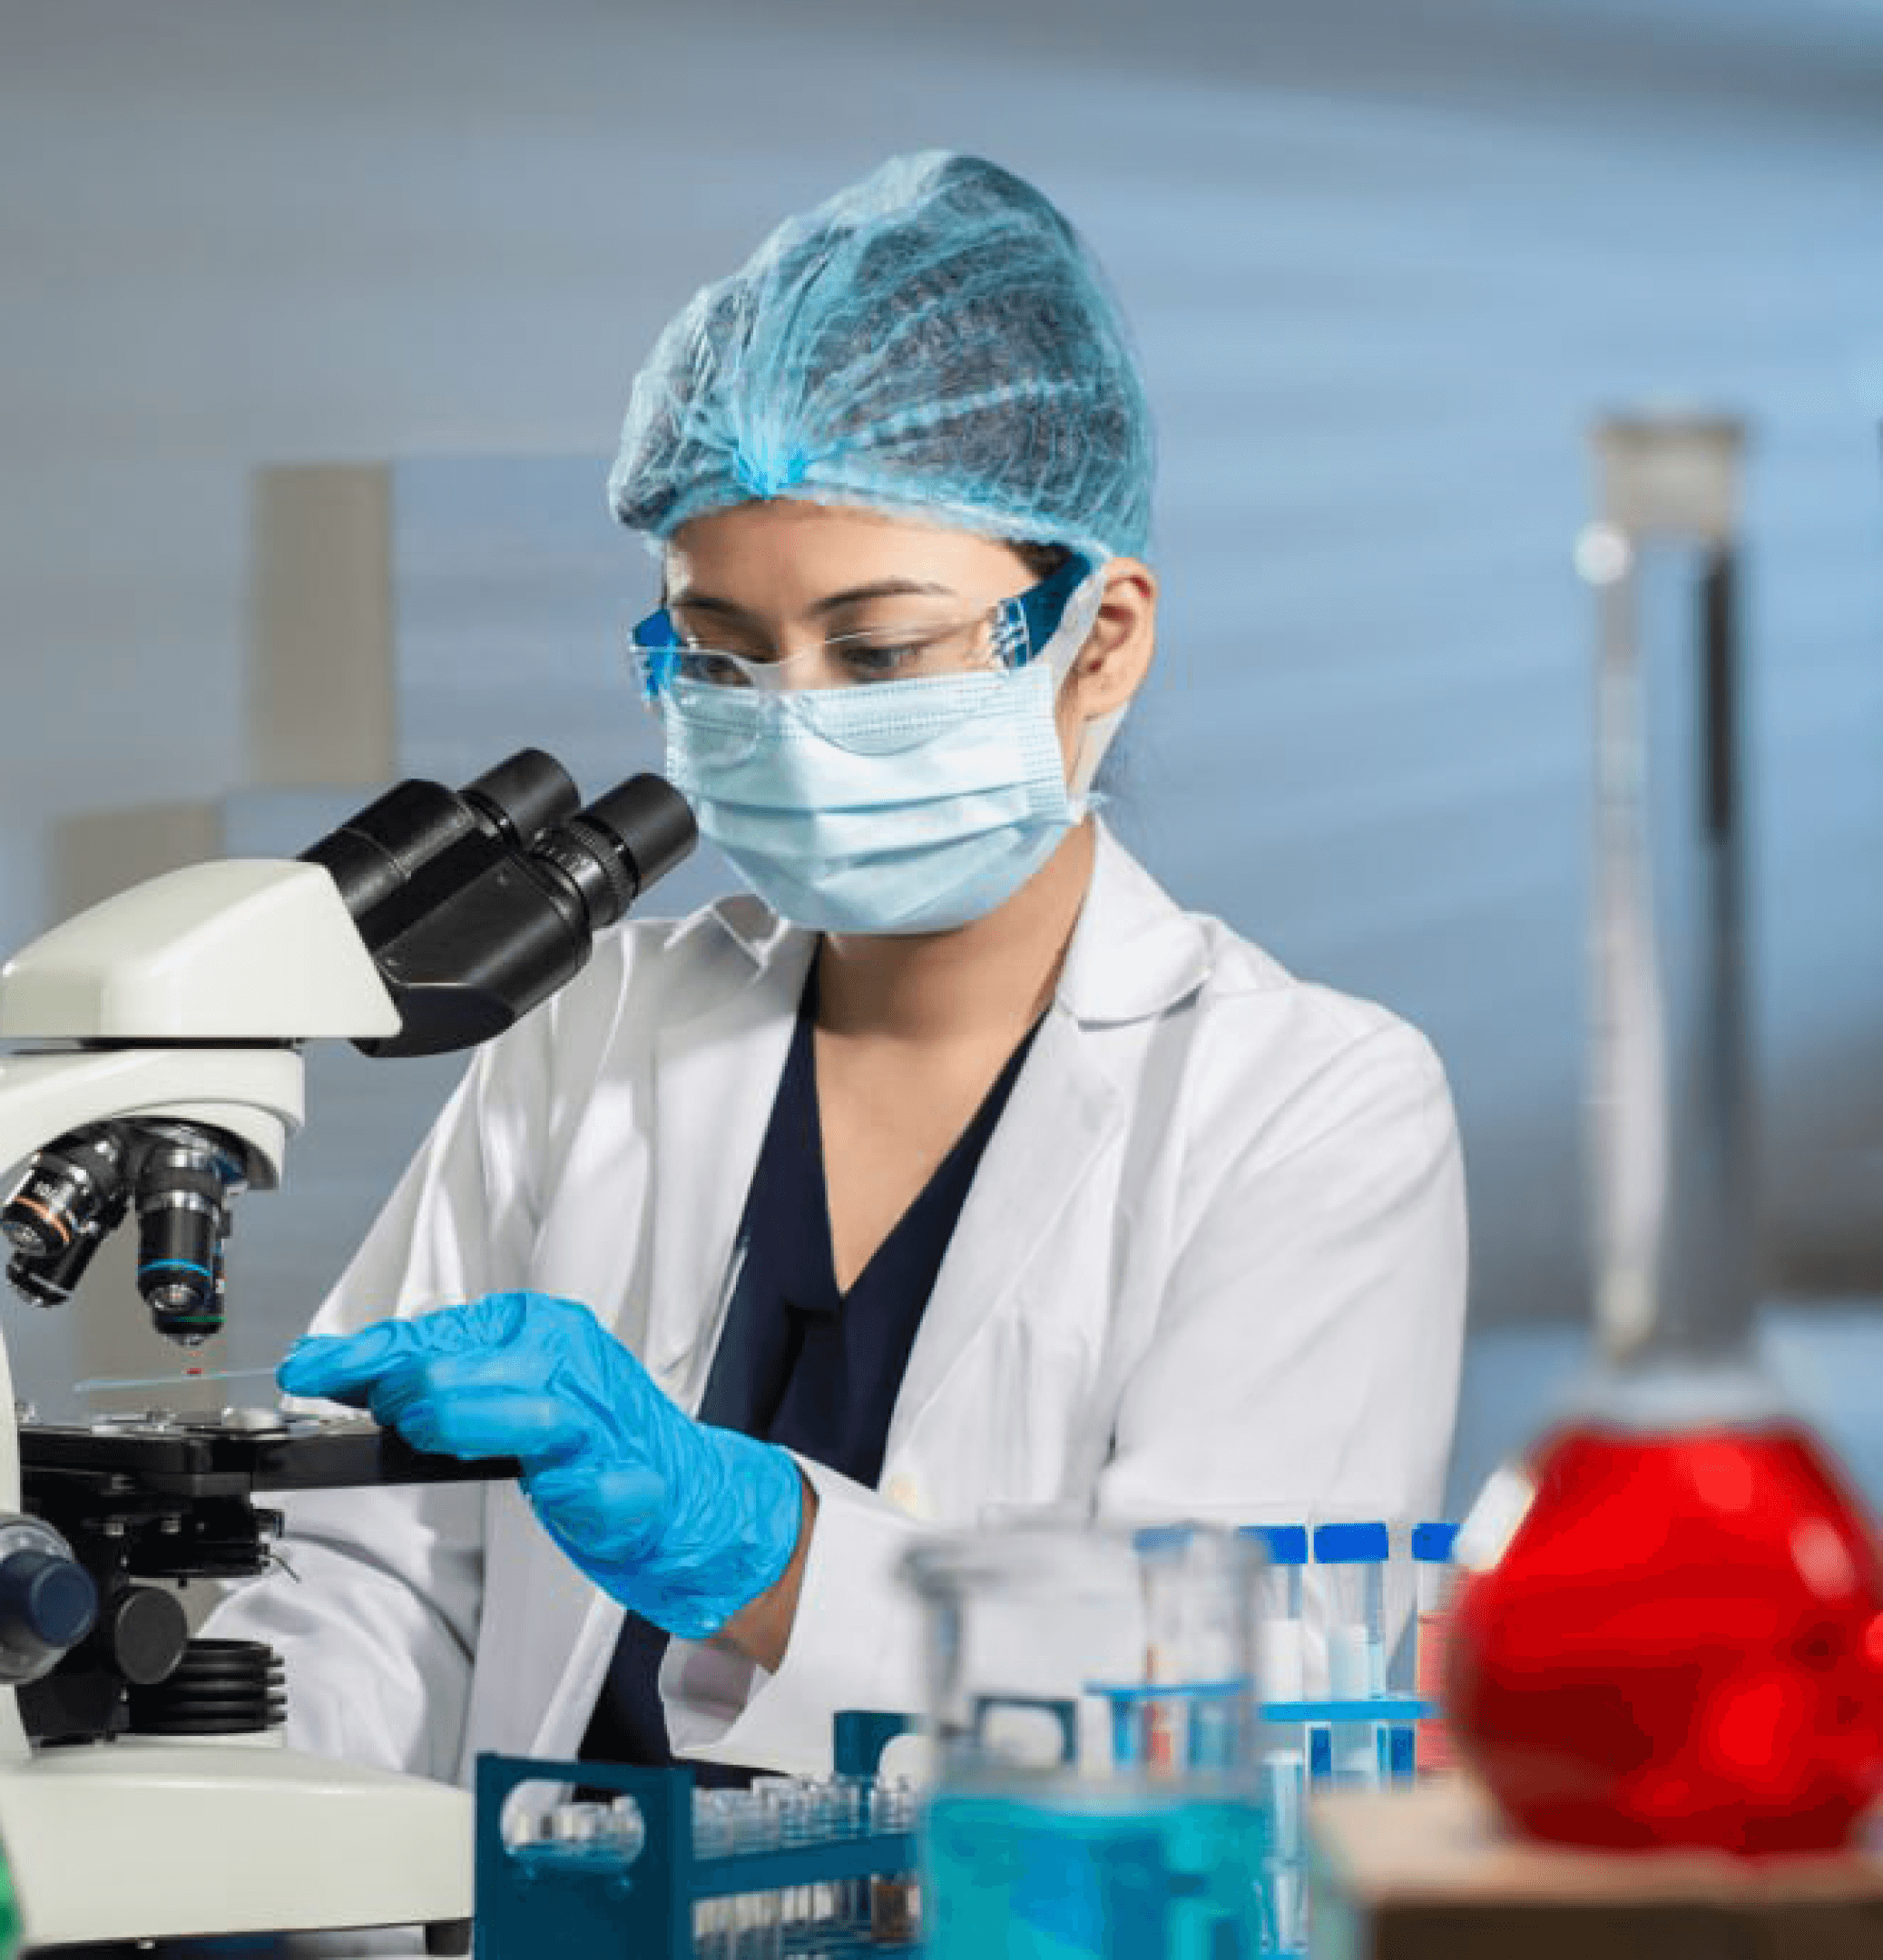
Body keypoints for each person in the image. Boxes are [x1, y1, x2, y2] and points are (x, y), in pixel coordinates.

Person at [203, 152, 1466, 1783]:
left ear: (1104, 639)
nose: (792, 718)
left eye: (879, 651)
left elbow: (1232, 1696)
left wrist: (760, 1547)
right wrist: (239, 1828)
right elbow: (374, 1584)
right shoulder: (589, 1031)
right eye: (722, 654)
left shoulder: (1308, 1104)